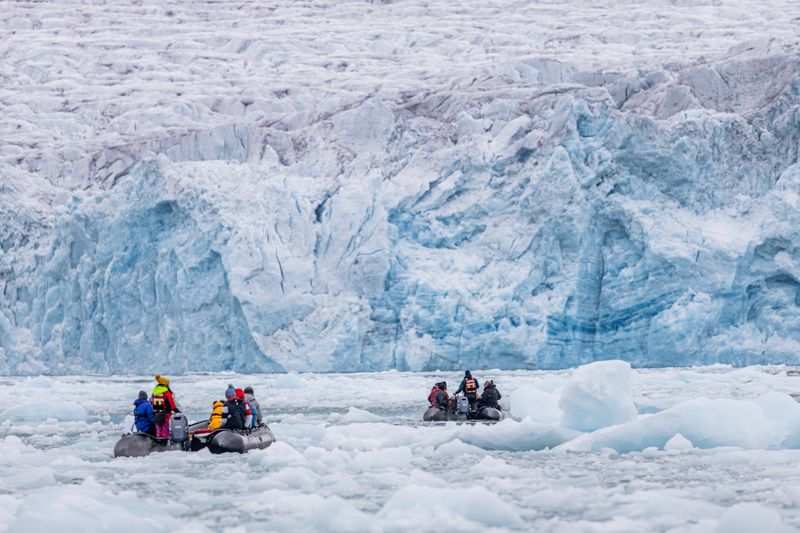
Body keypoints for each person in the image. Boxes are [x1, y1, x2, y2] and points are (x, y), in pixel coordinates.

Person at [151, 374, 178, 439]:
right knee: (165, 428)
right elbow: (171, 403)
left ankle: (158, 442)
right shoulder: (166, 392)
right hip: (165, 414)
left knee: (158, 428)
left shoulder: (154, 392)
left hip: (156, 414)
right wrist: (175, 410)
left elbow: (152, 403)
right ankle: (164, 443)